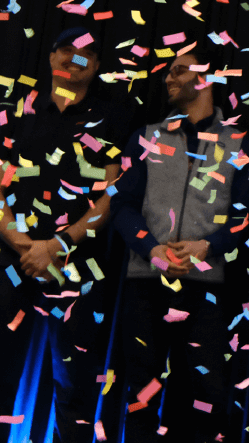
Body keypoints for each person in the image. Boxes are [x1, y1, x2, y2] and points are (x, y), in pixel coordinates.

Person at [111, 45, 249, 442]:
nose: (168, 79)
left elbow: (247, 215)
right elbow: (123, 205)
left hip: (207, 290)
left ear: (205, 77)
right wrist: (152, 249)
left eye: (179, 71)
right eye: (168, 72)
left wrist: (207, 246)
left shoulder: (240, 143)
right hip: (147, 281)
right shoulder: (145, 137)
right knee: (141, 390)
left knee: (206, 394)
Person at [0, 27, 125, 442]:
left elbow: (110, 194)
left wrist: (58, 245)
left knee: (74, 381)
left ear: (97, 66)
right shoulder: (19, 111)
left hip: (79, 264)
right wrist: (24, 245)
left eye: (85, 53)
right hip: (11, 259)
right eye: (66, 49)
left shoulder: (113, 116)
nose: (73, 58)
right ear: (52, 57)